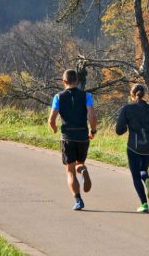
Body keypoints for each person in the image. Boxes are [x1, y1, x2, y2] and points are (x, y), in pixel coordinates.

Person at [48, 69, 97, 211]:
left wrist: (55, 129)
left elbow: (51, 120)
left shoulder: (58, 97)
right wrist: (92, 130)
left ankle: (78, 200)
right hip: (82, 136)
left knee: (69, 171)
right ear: (76, 81)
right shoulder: (86, 95)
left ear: (63, 81)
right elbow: (92, 116)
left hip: (67, 137)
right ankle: (83, 169)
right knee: (79, 164)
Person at [115, 83, 149, 213]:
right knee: (143, 169)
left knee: (135, 175)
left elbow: (119, 130)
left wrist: (125, 127)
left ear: (132, 95)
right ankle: (146, 179)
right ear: (144, 95)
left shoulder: (127, 109)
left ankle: (144, 204)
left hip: (133, 146)